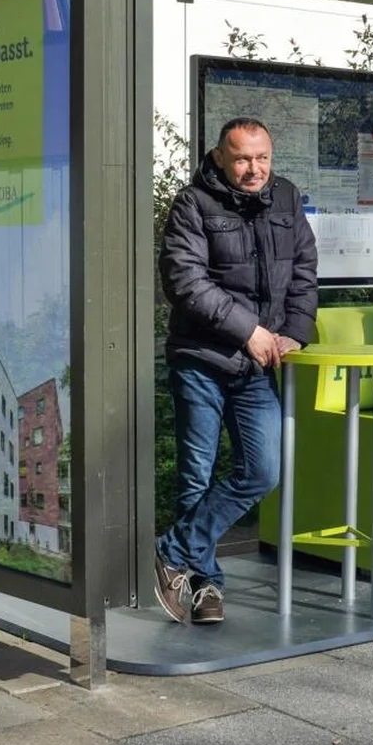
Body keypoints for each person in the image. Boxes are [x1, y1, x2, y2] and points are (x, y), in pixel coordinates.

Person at [154, 117, 319, 624]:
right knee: (196, 479)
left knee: (263, 470)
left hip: (255, 365)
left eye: (263, 158)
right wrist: (249, 330)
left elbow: (305, 269)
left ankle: (172, 550)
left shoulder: (286, 198)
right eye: (244, 159)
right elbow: (185, 279)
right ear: (220, 157)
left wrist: (293, 330)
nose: (255, 169)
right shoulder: (193, 203)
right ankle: (205, 590)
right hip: (202, 359)